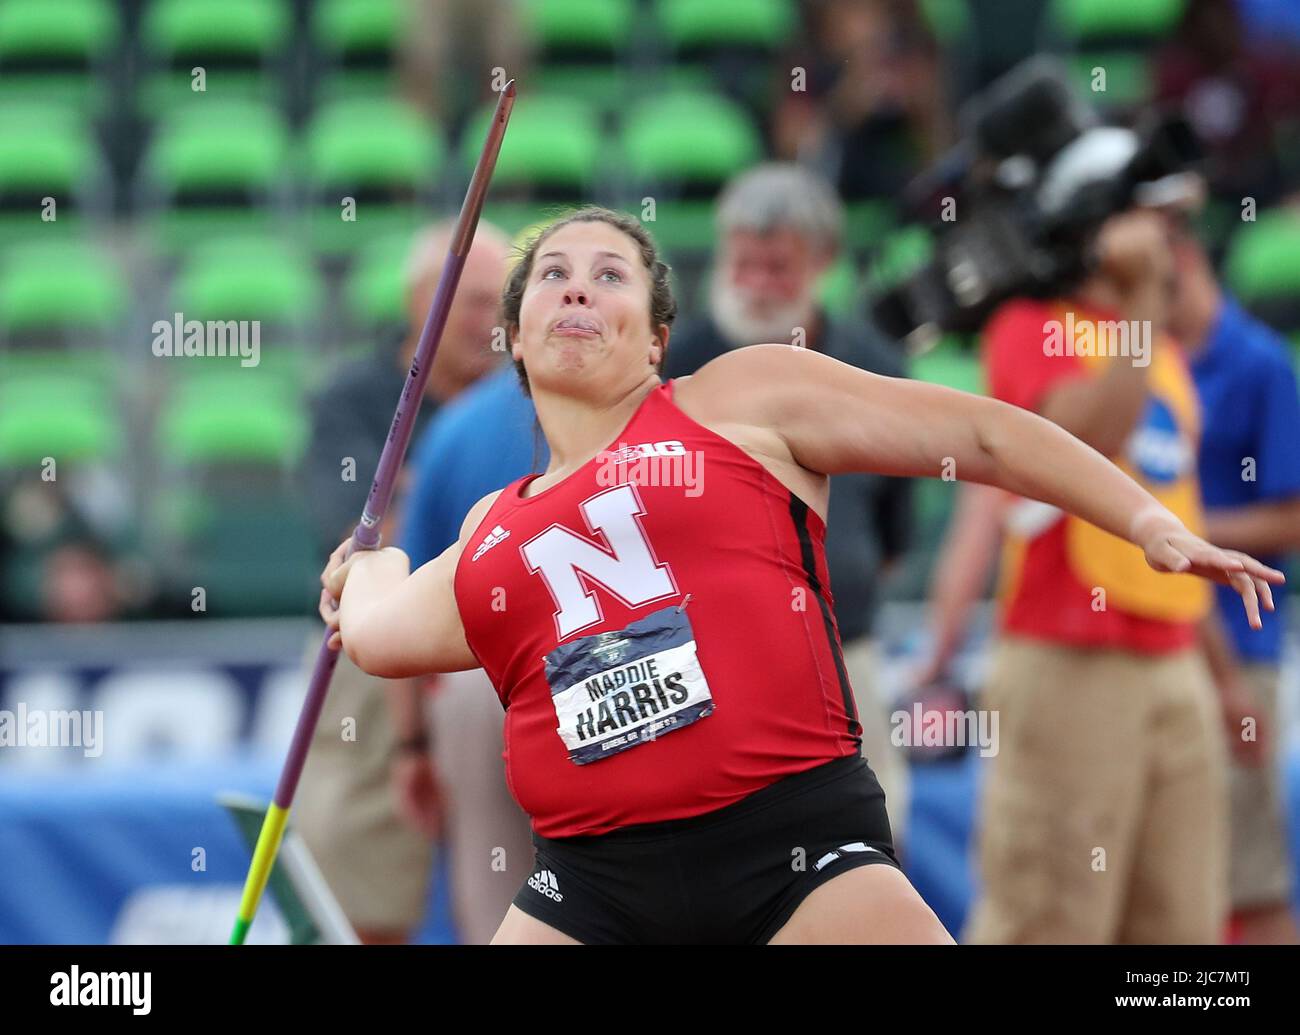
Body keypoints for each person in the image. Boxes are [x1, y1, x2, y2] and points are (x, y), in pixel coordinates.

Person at [318, 206, 1281, 946]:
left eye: (608, 274)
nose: (576, 288)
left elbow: (982, 433)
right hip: (591, 888)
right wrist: (372, 564)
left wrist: (1145, 517)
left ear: (655, 340)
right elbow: (378, 631)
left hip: (794, 851)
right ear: (516, 342)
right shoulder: (496, 525)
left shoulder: (741, 398)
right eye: (553, 277)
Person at [664, 162, 914, 845]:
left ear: (823, 261)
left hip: (845, 649)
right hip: (709, 662)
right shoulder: (673, 366)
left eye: (779, 267)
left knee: (873, 845)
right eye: (745, 264)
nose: (759, 284)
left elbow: (896, 526)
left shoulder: (872, 364)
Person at [292, 219, 511, 944]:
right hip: (382, 650)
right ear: (424, 300)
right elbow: (356, 529)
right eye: (474, 301)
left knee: (508, 869)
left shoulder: (531, 398)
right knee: (365, 864)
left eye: (500, 303)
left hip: (504, 645)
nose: (491, 322)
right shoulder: (355, 394)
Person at [1166, 214, 1300, 943]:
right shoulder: (1146, 361)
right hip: (1159, 639)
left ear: (1183, 256)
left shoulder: (1259, 363)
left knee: (1251, 881)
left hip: (1240, 648)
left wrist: (1179, 535)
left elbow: (1294, 515)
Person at [394, 362, 543, 944]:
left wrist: (411, 746)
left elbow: (404, 607)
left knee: (493, 907)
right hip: (612, 665)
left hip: (479, 683)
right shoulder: (669, 423)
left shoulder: (456, 424)